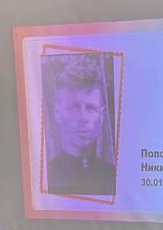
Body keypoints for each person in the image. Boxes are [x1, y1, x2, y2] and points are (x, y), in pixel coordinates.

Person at [46, 58, 116, 196]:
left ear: (101, 116)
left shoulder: (113, 176)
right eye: (74, 107)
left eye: (91, 108)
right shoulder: (47, 176)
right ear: (57, 112)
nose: (83, 118)